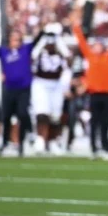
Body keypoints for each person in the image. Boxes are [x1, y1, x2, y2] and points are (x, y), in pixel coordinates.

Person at [0, 25, 45, 155]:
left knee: (22, 113)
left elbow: (37, 40)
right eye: (14, 39)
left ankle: (22, 142)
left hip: (23, 88)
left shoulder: (25, 49)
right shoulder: (4, 52)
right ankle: (5, 142)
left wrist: (42, 28)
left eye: (18, 40)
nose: (16, 42)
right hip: (9, 88)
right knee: (6, 116)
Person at [73, 18, 108, 160]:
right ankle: (94, 149)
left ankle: (105, 148)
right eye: (95, 45)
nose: (95, 47)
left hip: (107, 94)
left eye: (98, 45)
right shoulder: (90, 56)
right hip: (94, 94)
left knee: (105, 122)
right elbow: (82, 43)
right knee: (94, 122)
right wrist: (76, 28)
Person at [31, 24, 69, 155]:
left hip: (56, 84)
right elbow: (32, 56)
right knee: (42, 113)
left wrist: (58, 40)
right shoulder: (40, 53)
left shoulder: (60, 54)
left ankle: (53, 141)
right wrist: (43, 40)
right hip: (41, 84)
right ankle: (40, 139)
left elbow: (69, 58)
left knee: (56, 116)